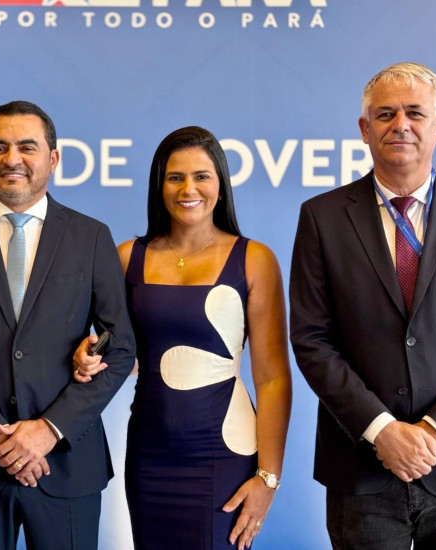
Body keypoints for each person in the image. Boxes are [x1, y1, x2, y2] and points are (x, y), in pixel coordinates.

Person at [290, 62, 436, 549]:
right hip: (362, 467)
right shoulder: (322, 218)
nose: (401, 125)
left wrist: (435, 431)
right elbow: (312, 340)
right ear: (364, 128)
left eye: (415, 112)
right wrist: (382, 431)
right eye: (385, 114)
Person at [0, 100, 136, 550]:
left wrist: (49, 429)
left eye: (26, 147)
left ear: (53, 158)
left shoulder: (91, 237)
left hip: (67, 464)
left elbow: (120, 348)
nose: (11, 159)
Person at [74, 126, 292, 549]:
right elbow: (120, 354)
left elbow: (272, 379)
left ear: (220, 185)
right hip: (149, 453)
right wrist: (88, 356)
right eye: (175, 177)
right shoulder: (127, 257)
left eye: (201, 176)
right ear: (160, 186)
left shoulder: (255, 259)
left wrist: (268, 478)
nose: (188, 189)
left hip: (224, 454)